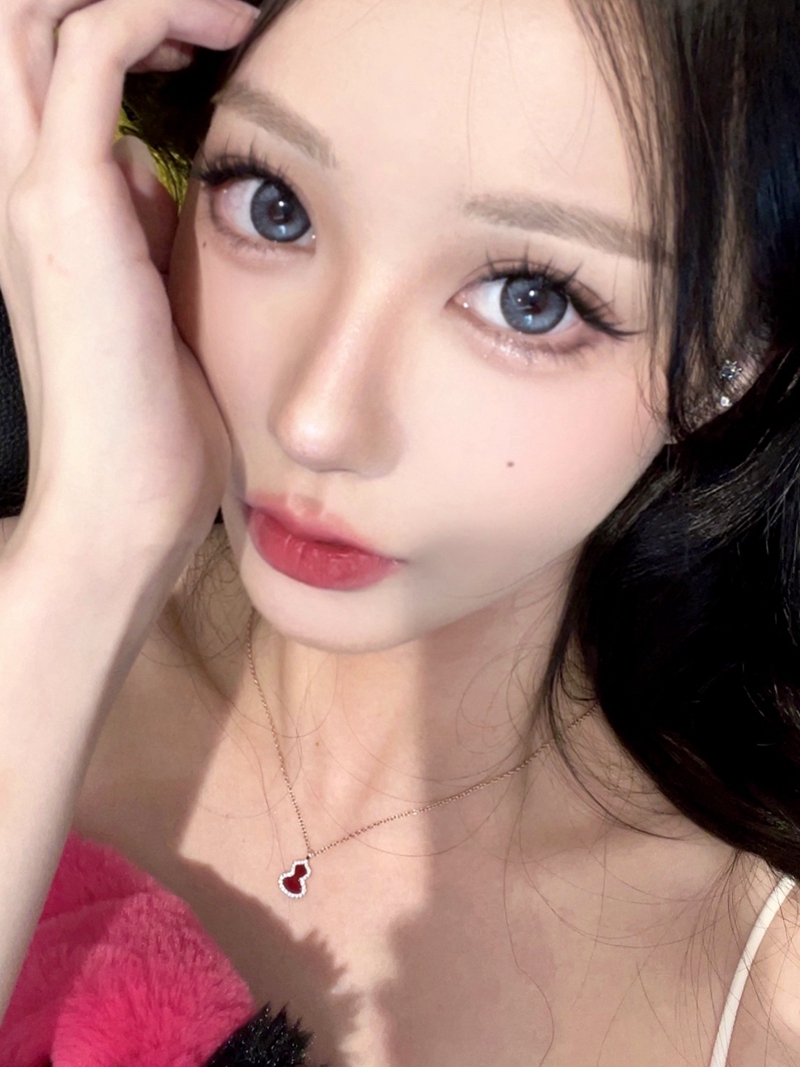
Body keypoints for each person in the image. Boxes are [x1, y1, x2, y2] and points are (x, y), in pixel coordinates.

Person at [1, 0, 800, 1062]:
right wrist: (88, 559)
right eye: (273, 206)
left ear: (731, 363)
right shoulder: (32, 611)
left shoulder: (765, 979)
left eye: (528, 299)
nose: (316, 420)